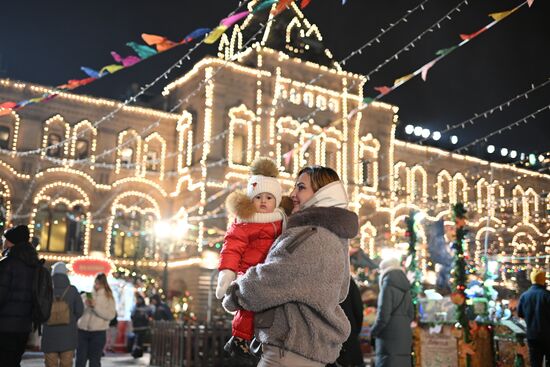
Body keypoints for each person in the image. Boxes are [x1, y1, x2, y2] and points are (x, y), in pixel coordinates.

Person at [223, 165, 358, 366]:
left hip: (290, 349)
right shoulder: (331, 235)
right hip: (302, 348)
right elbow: (340, 291)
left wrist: (235, 291)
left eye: (301, 187)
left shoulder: (312, 235)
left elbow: (273, 278)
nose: (293, 194)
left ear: (322, 194)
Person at [216, 157, 287, 358]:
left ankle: (263, 340)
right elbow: (232, 248)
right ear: (250, 200)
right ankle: (239, 338)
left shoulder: (282, 221)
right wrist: (227, 273)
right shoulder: (244, 223)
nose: (263, 201)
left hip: (273, 273)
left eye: (269, 197)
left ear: (277, 200)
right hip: (249, 272)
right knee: (247, 306)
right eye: (258, 197)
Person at [0, 225, 40, 367]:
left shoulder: (7, 264)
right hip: (24, 326)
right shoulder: (34, 265)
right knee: (14, 361)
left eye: (6, 240)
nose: (3, 243)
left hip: (4, 326)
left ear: (12, 242)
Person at [370, 258, 413, 367]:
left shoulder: (387, 285)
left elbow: (383, 316)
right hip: (404, 335)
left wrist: (373, 332)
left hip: (389, 337)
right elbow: (411, 314)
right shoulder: (406, 287)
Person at [41, 262, 84, 367]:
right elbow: (80, 310)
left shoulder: (45, 289)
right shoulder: (72, 290)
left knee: (50, 363)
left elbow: (40, 309)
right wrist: (71, 318)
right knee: (66, 363)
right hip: (68, 334)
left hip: (49, 334)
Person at [76, 273, 116, 367]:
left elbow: (110, 315)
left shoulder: (108, 298)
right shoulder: (86, 295)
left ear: (104, 284)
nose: (96, 285)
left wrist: (95, 307)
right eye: (96, 282)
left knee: (94, 361)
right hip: (82, 331)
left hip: (98, 333)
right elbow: (77, 312)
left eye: (99, 283)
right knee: (80, 360)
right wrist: (85, 305)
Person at [328, 276, 365, 367]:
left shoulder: (323, 280)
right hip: (349, 334)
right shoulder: (348, 281)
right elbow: (359, 310)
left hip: (329, 338)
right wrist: (356, 331)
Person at [517, 269, 550, 367]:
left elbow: (520, 314)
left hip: (532, 336)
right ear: (543, 280)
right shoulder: (547, 295)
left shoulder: (524, 296)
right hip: (548, 336)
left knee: (535, 362)